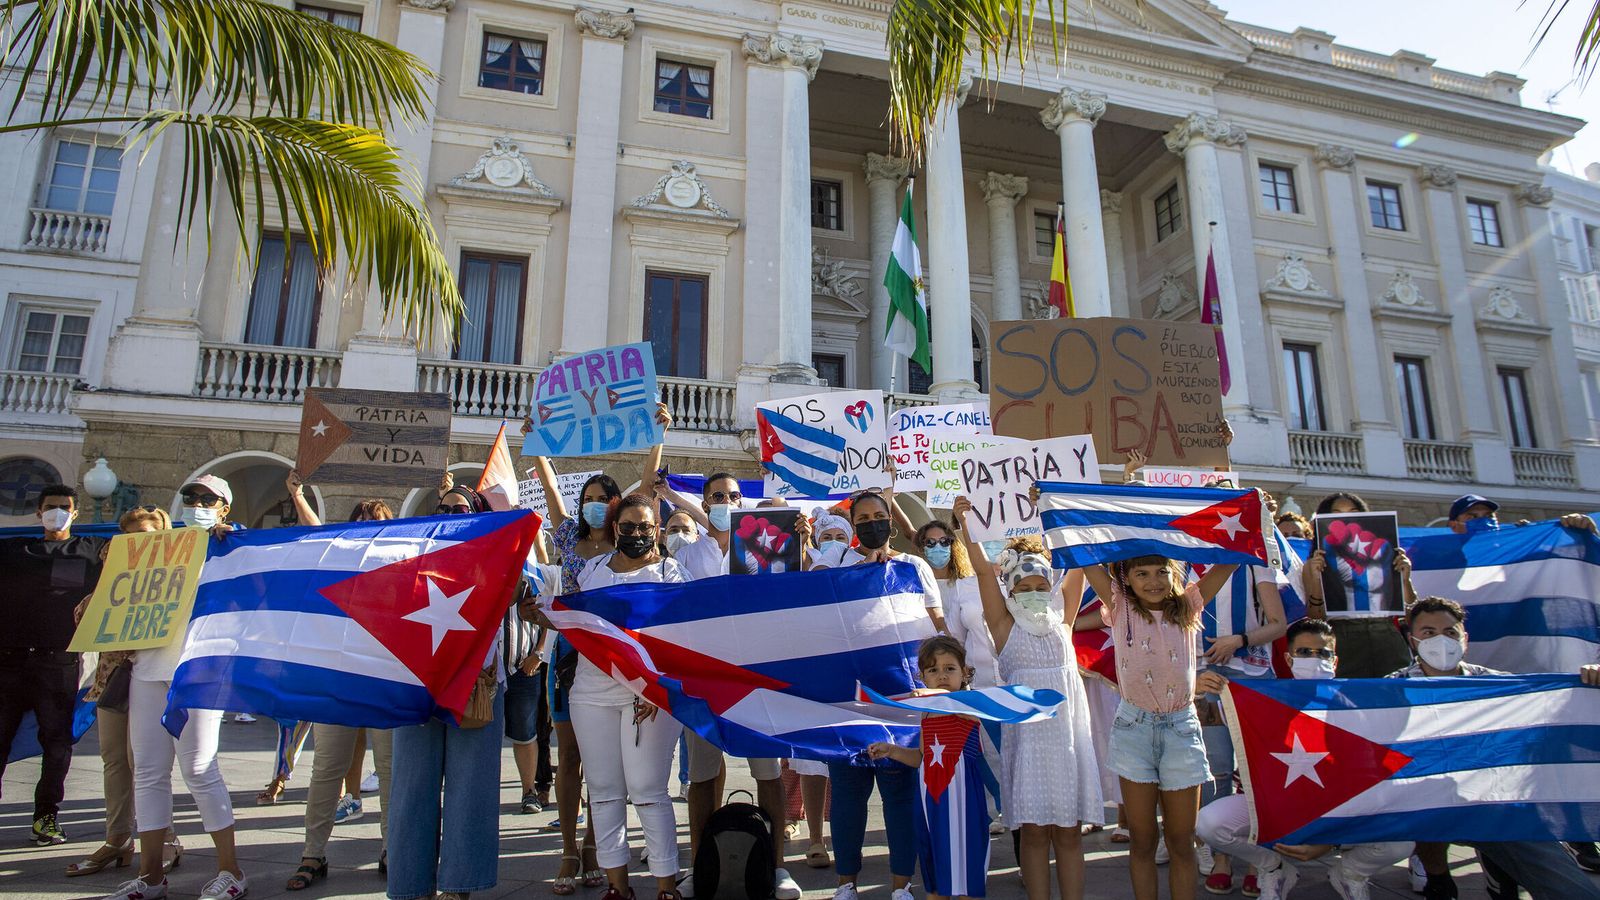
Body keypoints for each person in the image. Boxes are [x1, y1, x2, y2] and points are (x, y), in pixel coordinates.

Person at [527, 408, 669, 892]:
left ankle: (598, 854)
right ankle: (573, 853)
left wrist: (657, 434)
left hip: (629, 665)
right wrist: (540, 447)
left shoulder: (627, 543)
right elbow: (550, 497)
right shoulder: (571, 540)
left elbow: (647, 491)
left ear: (616, 510)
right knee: (572, 757)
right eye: (586, 499)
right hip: (573, 656)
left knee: (630, 782)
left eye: (601, 500)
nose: (593, 506)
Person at [1389, 597, 1600, 900]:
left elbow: (1554, 708)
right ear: (1412, 640)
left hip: (1495, 803)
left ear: (1465, 639)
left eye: (1450, 632)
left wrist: (1588, 683)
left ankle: (1500, 872)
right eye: (1428, 632)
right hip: (1426, 799)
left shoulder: (1497, 684)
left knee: (1571, 890)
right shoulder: (1389, 689)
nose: (1440, 640)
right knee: (1425, 805)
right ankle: (1437, 877)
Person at [1196, 619, 1413, 900]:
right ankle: (1272, 868)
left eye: (1323, 653)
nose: (1314, 659)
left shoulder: (1357, 705)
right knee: (1210, 823)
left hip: (1340, 806)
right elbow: (1206, 715)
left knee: (1402, 842)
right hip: (1279, 802)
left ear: (1335, 661)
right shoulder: (1263, 700)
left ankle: (1351, 872)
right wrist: (1199, 687)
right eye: (1304, 652)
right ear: (1288, 658)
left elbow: (1366, 778)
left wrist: (1329, 841)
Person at [105, 474, 249, 900]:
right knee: (148, 771)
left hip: (199, 671)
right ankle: (151, 877)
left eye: (208, 498)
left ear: (225, 507)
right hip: (148, 665)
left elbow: (252, 596)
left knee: (200, 769)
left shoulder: (231, 546)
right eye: (191, 496)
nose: (197, 503)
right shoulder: (159, 547)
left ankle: (232, 872)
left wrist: (232, 539)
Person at [954, 498, 1102, 900]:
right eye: (1025, 587)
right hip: (1029, 743)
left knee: (1069, 832)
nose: (1034, 592)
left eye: (1040, 586)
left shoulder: (1064, 621)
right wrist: (966, 520)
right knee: (1034, 832)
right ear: (1012, 590)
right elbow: (983, 569)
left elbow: (1076, 565)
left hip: (1067, 740)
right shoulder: (1002, 625)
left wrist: (1060, 509)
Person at [663, 472, 801, 900]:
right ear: (704, 503)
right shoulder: (687, 553)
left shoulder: (768, 543)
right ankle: (700, 865)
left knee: (767, 773)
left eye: (734, 496)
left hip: (756, 676)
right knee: (702, 776)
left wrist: (801, 542)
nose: (726, 501)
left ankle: (776, 866)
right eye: (718, 496)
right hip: (703, 677)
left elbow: (792, 596)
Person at [1077, 553, 1237, 900]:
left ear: (1173, 574)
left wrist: (1255, 520)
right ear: (1126, 579)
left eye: (1162, 572)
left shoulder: (1189, 605)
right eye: (1142, 574)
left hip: (1181, 729)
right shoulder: (1121, 608)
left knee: (1181, 839)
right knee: (1143, 838)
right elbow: (1085, 557)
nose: (1154, 581)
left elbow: (1229, 562)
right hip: (1134, 730)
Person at [558, 493, 688, 900]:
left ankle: (666, 886)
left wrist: (656, 687)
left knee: (648, 788)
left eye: (644, 528)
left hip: (650, 697)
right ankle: (618, 887)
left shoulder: (672, 573)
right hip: (590, 693)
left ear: (657, 531)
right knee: (603, 790)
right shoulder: (592, 570)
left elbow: (680, 637)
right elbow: (573, 620)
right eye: (628, 527)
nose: (635, 534)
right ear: (615, 529)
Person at [386, 479, 511, 900]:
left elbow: (522, 589)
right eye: (443, 509)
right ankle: (409, 884)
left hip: (476, 683)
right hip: (418, 681)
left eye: (461, 510)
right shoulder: (410, 554)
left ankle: (459, 884)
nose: (450, 516)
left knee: (471, 785)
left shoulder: (497, 555)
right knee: (411, 785)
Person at [283, 473, 396, 891]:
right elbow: (315, 533)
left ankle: (392, 848)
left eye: (377, 521)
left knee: (389, 769)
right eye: (361, 520)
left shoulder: (399, 565)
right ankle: (313, 853)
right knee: (327, 768)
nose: (368, 526)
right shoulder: (337, 559)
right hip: (338, 681)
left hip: (384, 680)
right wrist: (296, 495)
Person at [829, 488, 942, 900]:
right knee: (847, 795)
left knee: (898, 794)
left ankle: (901, 884)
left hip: (901, 698)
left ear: (891, 522)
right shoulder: (837, 567)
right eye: (863, 519)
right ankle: (846, 883)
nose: (872, 523)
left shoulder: (914, 566)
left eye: (879, 515)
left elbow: (935, 626)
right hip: (850, 700)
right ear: (853, 526)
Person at [67, 506, 181, 878]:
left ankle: (165, 840)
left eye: (146, 534)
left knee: (146, 764)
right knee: (114, 759)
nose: (138, 542)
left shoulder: (173, 577)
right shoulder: (112, 571)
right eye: (131, 535)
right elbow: (84, 617)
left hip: (154, 677)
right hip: (112, 677)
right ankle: (117, 839)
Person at [0, 483, 107, 846]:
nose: (57, 511)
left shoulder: (92, 552)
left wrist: (222, 532)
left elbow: (153, 545)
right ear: (38, 512)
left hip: (58, 663)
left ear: (76, 513)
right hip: (9, 663)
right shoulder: (14, 550)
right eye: (50, 506)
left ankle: (45, 817)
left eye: (64, 506)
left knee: (57, 744)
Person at [867, 635, 991, 900]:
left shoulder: (969, 703)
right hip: (932, 799)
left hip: (963, 799)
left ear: (965, 673)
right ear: (922, 676)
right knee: (935, 867)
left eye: (950, 669)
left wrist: (935, 695)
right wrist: (892, 750)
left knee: (966, 866)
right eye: (933, 670)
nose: (942, 675)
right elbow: (923, 758)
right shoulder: (926, 713)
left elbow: (952, 702)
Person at [1301, 492, 1416, 677]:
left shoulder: (1385, 552)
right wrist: (1316, 579)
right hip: (1343, 638)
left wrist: (1405, 579)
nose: (1346, 518)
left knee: (1396, 698)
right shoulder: (1314, 563)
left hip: (1386, 635)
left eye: (1353, 512)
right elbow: (1316, 617)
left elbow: (1411, 613)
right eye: (1336, 513)